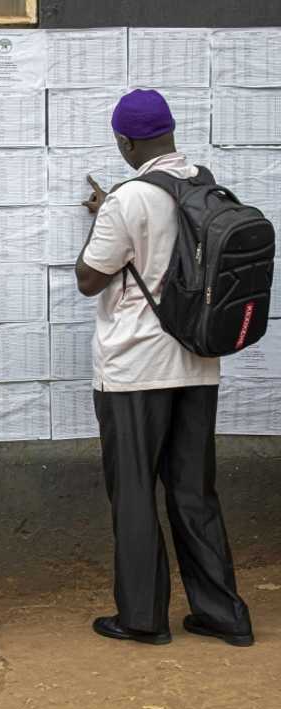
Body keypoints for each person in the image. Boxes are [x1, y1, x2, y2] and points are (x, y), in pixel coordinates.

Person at [76, 89, 253, 647]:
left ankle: (142, 618)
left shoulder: (126, 201)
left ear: (126, 142)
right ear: (172, 132)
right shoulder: (206, 185)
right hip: (198, 365)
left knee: (133, 491)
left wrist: (103, 217)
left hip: (135, 372)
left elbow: (90, 277)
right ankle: (222, 613)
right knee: (194, 491)